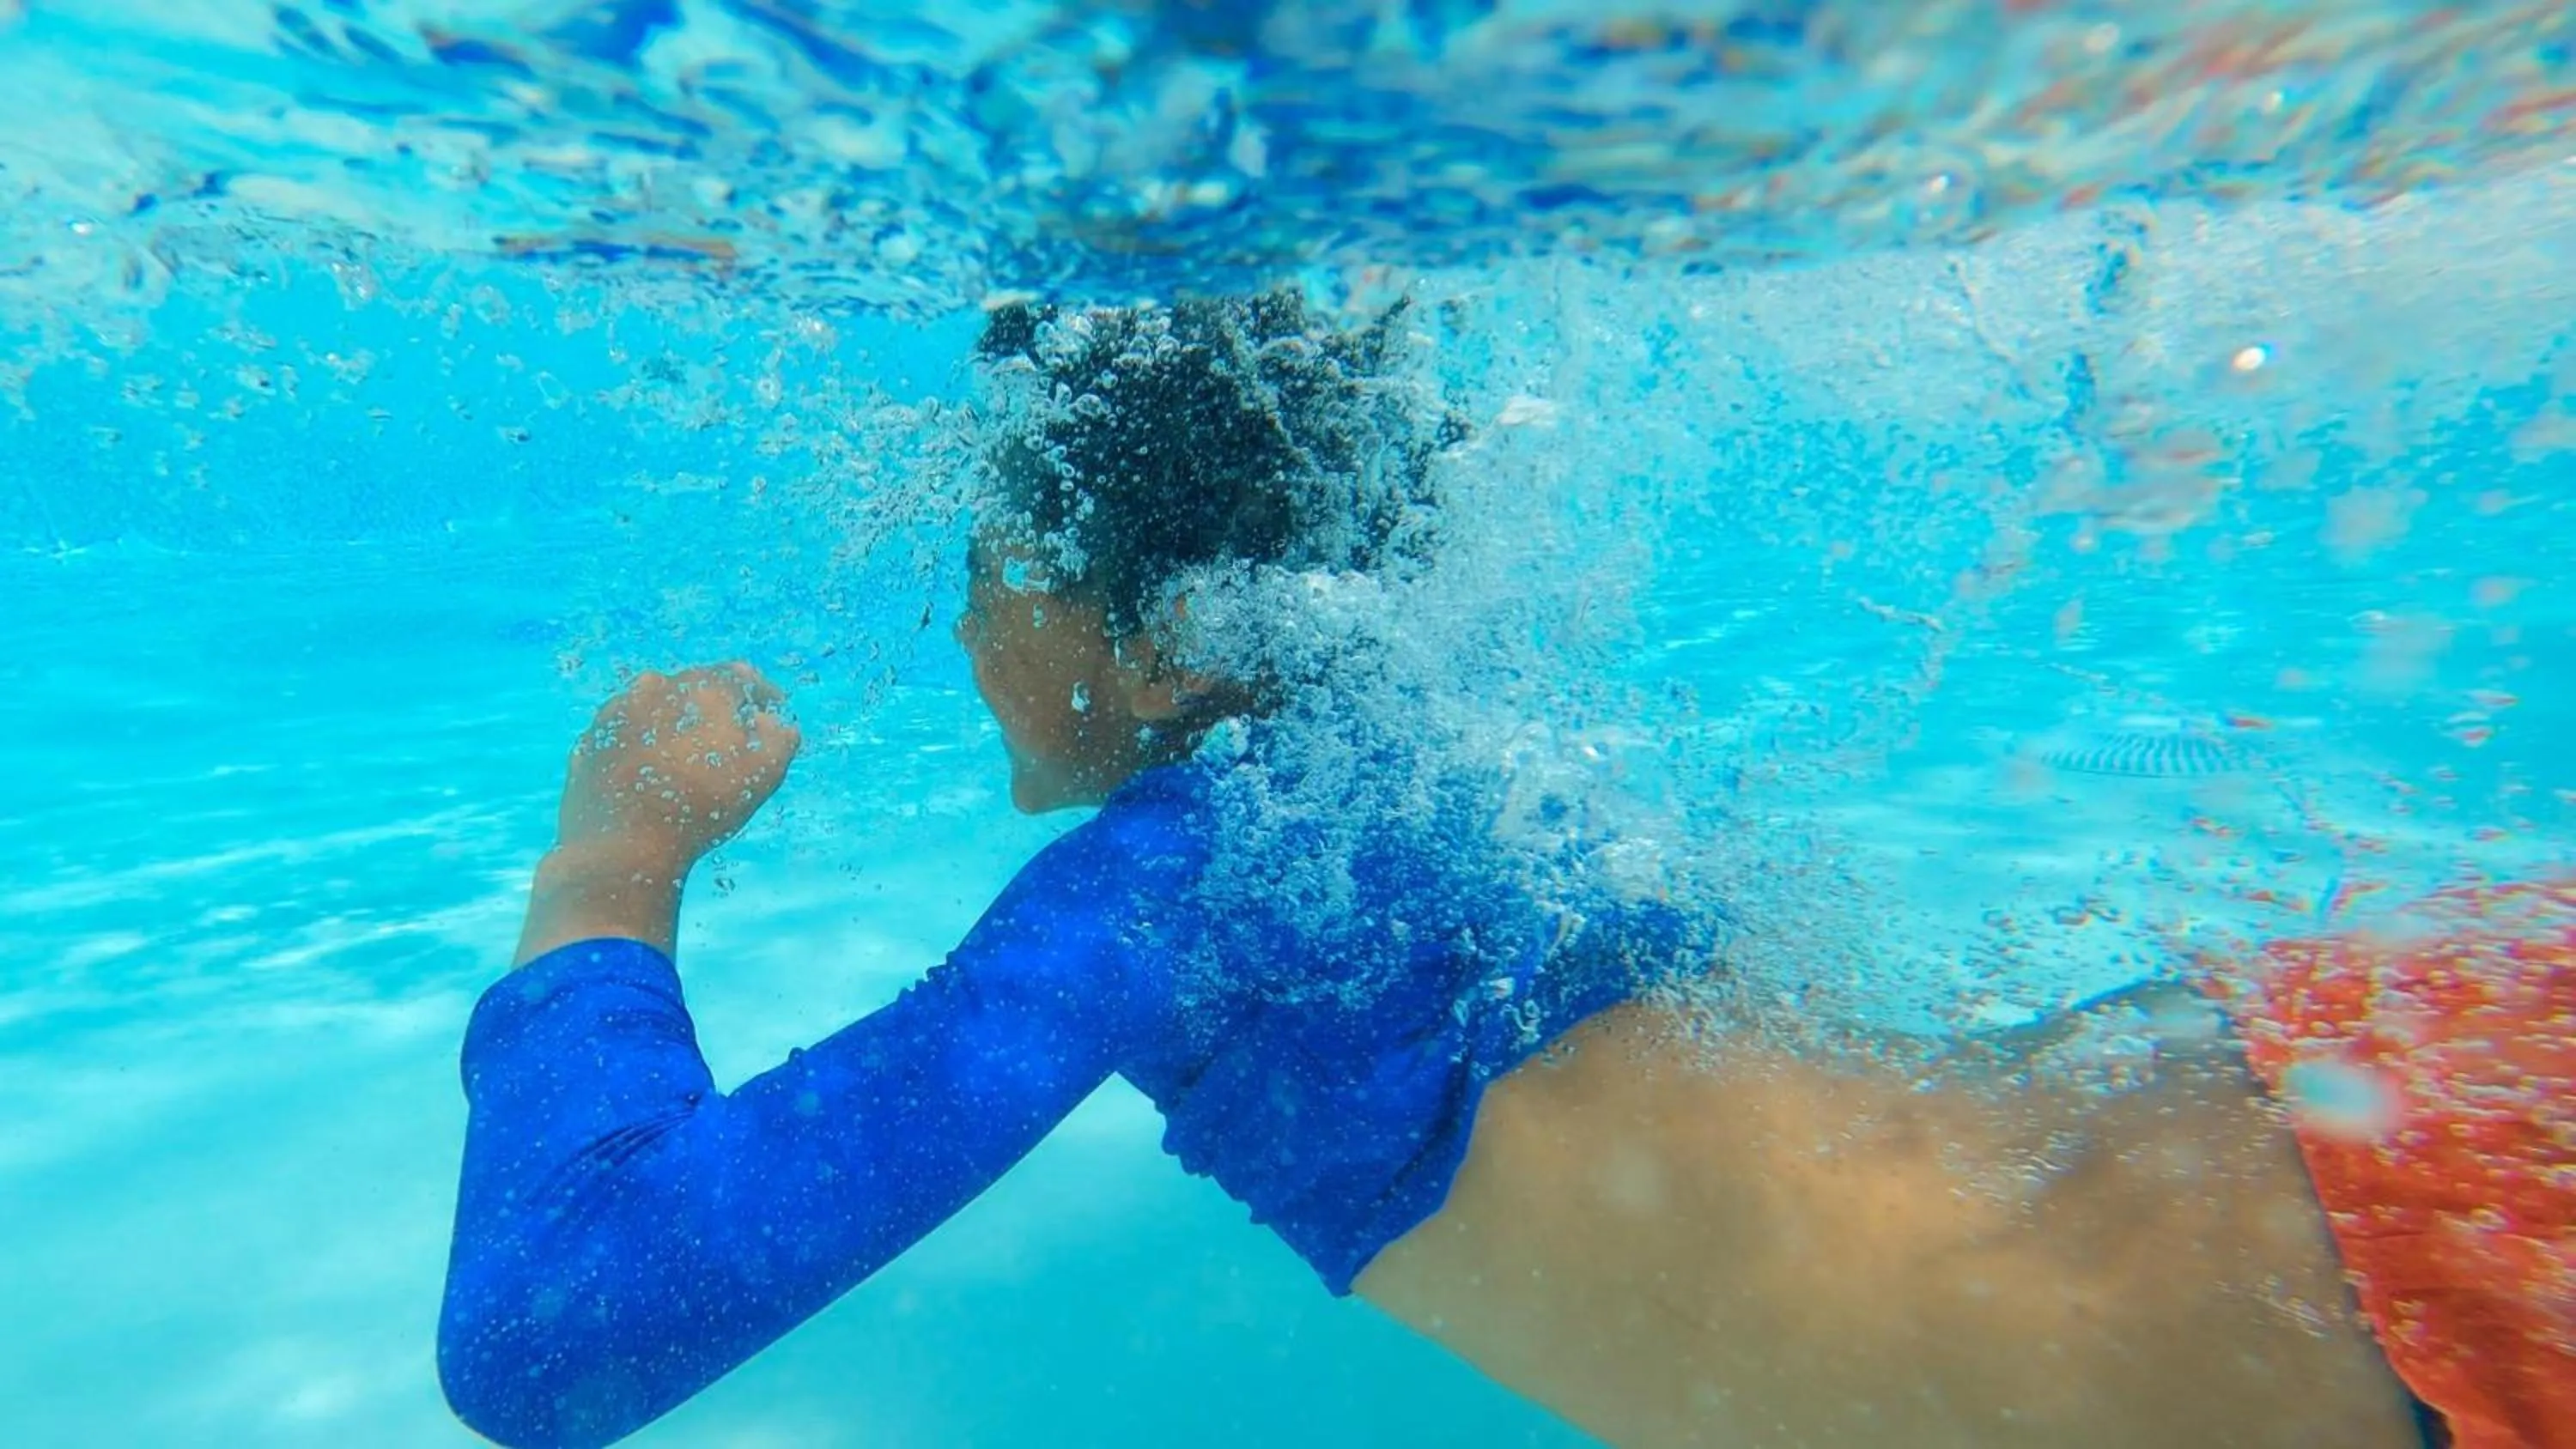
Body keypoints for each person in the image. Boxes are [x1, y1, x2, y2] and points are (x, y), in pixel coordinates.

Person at [439, 293, 2572, 1449]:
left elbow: (558, 1337)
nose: (970, 627)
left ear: (1170, 629)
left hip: (2398, 1274)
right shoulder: (1435, 744)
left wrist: (616, 852)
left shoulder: (1205, 873)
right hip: (2369, 1106)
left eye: (993, 567)